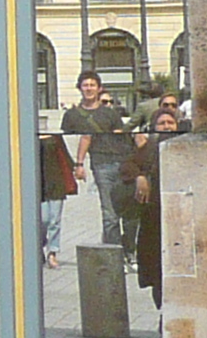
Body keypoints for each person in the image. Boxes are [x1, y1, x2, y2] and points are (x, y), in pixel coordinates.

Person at [59, 72, 135, 247]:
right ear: (79, 88)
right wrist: (78, 165)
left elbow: (121, 136)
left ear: (99, 88)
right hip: (101, 165)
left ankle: (129, 250)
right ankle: (113, 251)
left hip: (122, 163)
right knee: (109, 214)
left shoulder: (110, 114)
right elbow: (80, 138)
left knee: (128, 212)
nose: (89, 89)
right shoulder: (71, 115)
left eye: (92, 85)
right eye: (85, 85)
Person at [124, 106, 183, 303]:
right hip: (154, 219)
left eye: (170, 123)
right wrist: (139, 176)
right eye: (161, 123)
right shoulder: (148, 148)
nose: (166, 127)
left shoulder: (185, 147)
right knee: (157, 269)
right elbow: (127, 165)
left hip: (180, 219)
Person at [38, 127, 78, 269]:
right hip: (38, 184)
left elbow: (65, 156)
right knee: (43, 220)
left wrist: (77, 168)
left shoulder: (55, 137)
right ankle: (39, 246)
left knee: (55, 220)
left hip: (56, 182)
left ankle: (52, 253)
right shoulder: (28, 136)